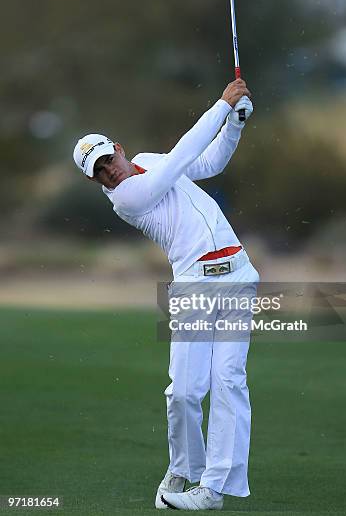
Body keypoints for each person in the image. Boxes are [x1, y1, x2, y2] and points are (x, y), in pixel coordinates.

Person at [73, 79, 260, 511]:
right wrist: (222, 104)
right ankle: (182, 470)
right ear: (94, 181)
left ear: (117, 147)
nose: (108, 171)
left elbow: (207, 161)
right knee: (184, 392)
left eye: (107, 160)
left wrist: (234, 125)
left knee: (229, 381)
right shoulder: (127, 197)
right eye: (98, 172)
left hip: (237, 275)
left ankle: (213, 489)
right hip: (194, 282)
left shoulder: (147, 162)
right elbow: (181, 158)